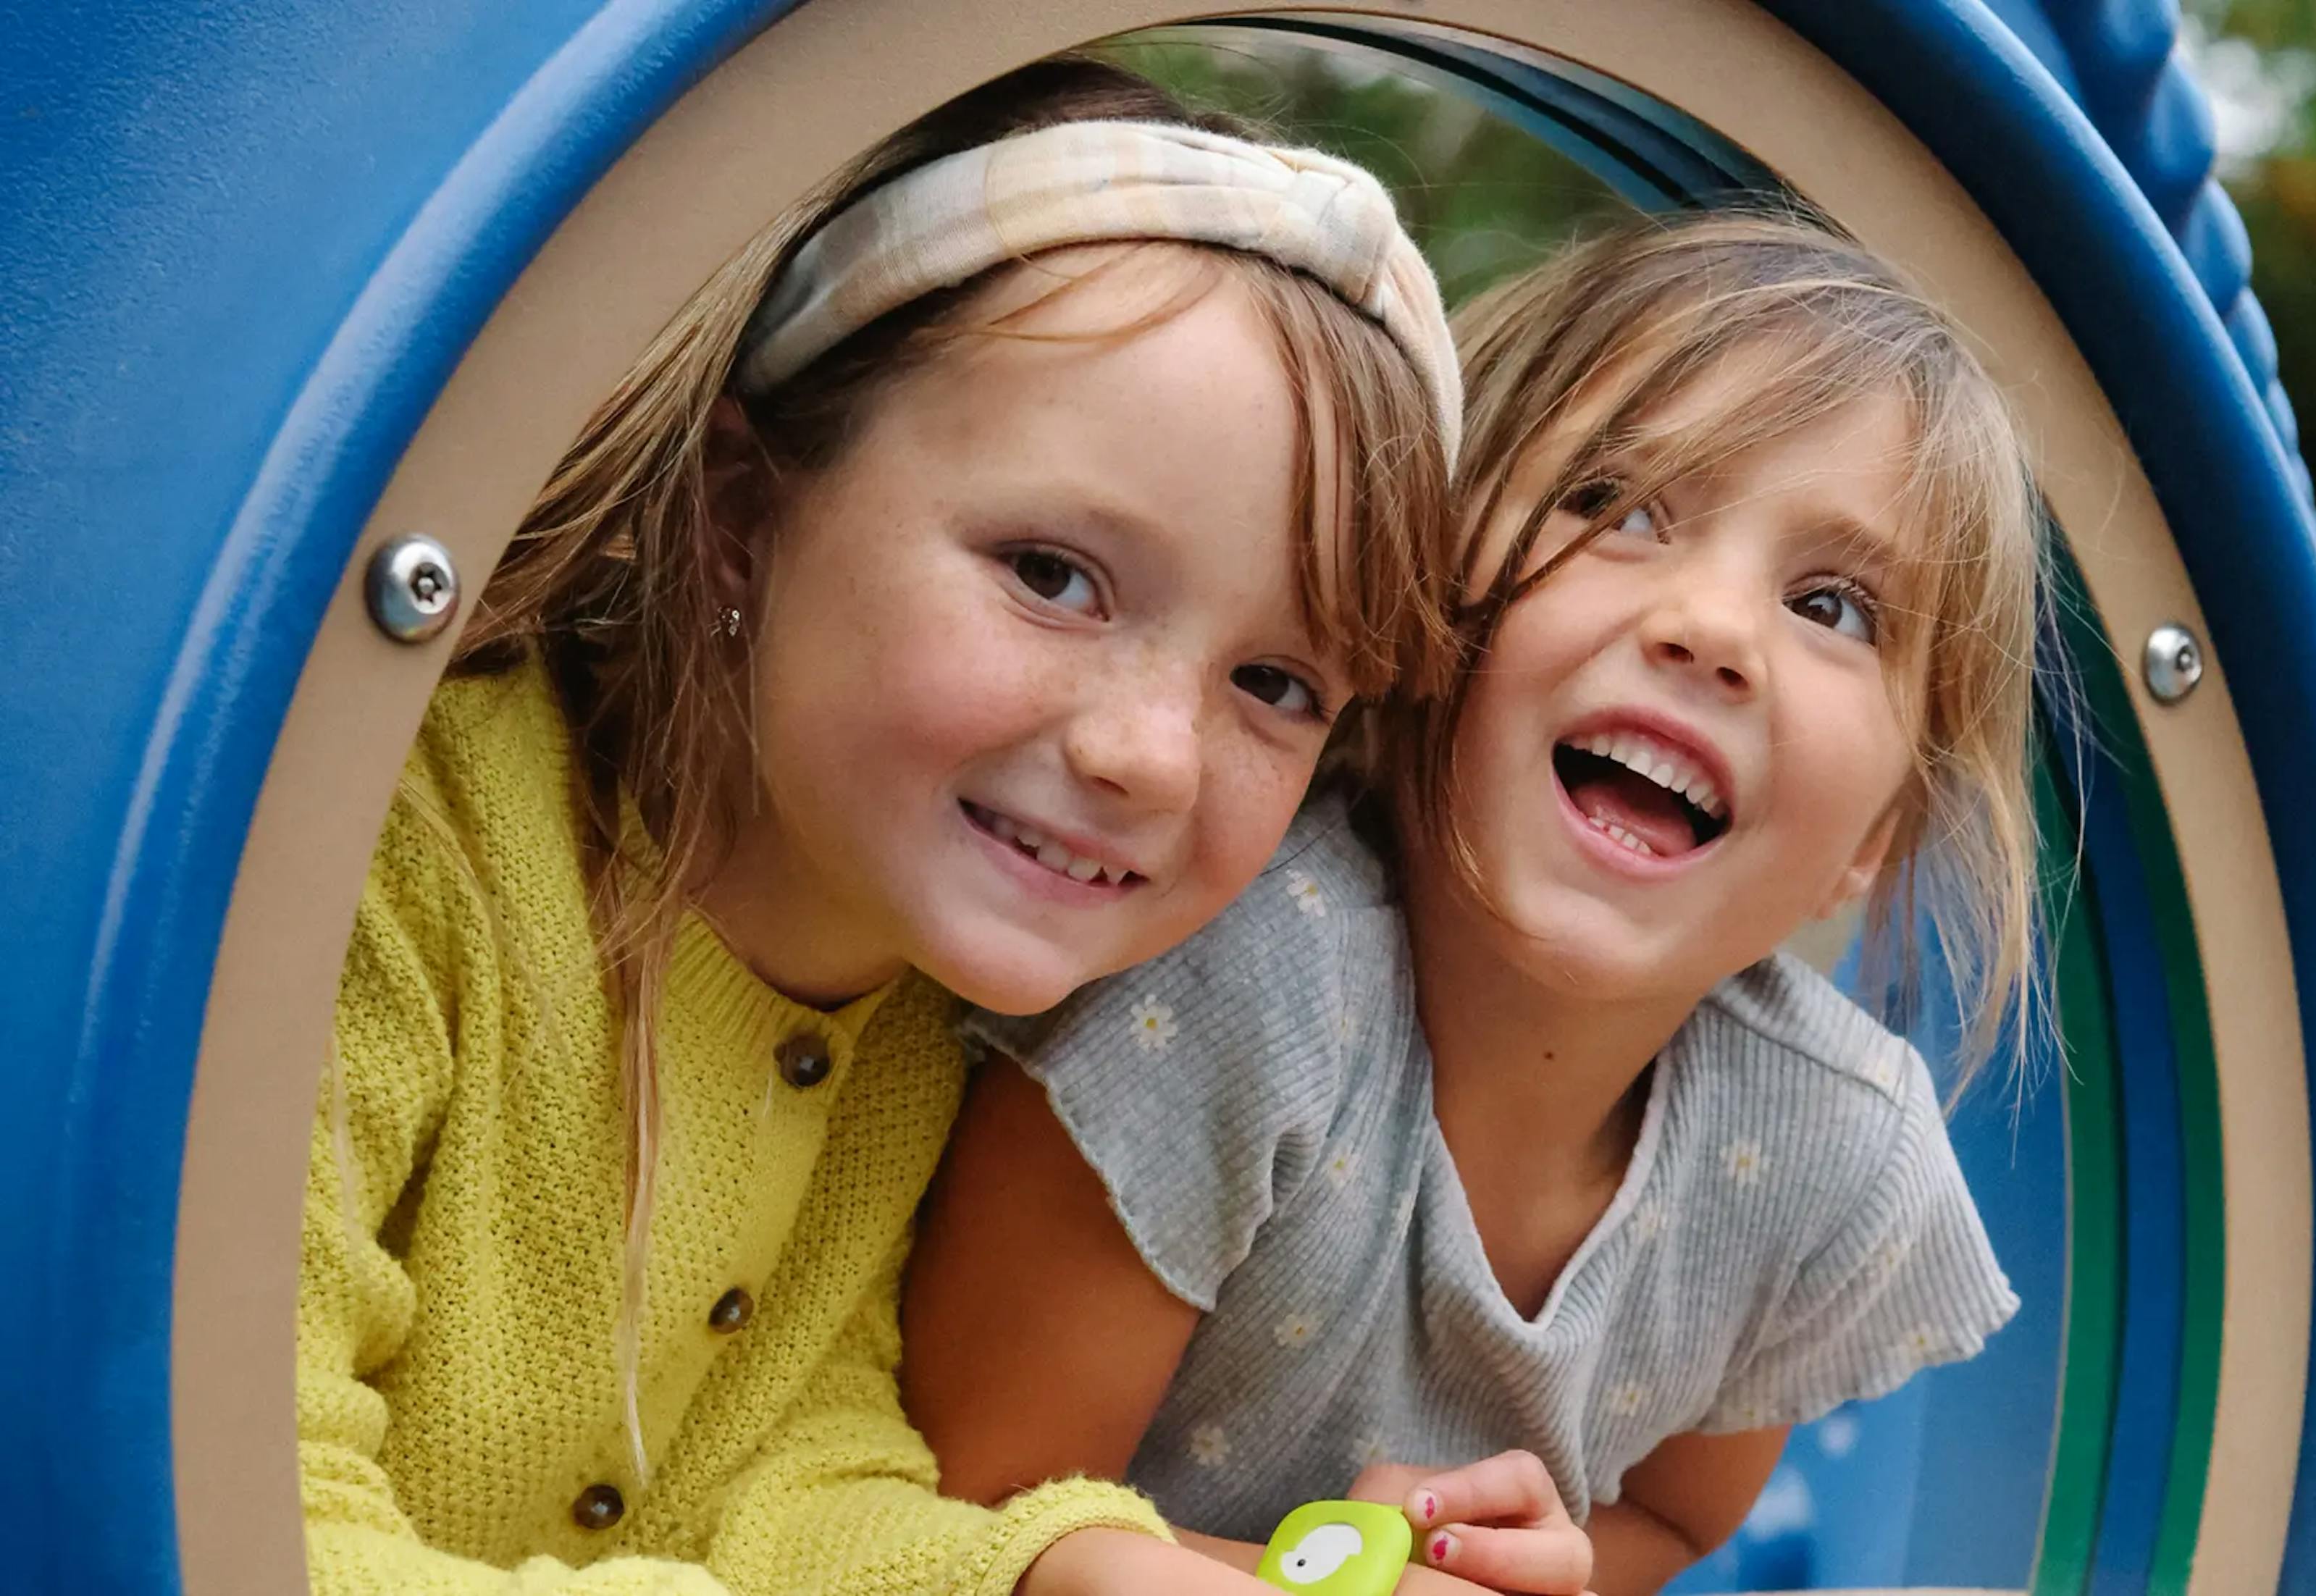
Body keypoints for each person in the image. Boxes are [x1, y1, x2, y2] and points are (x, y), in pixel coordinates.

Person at [297, 57, 1464, 1596]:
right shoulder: (398, 862)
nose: (1151, 758)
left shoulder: (918, 1011)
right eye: (1053, 574)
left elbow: (793, 1465)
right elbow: (238, 1502)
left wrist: (1083, 1579)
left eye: (1274, 681)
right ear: (738, 511)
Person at [905, 210, 2047, 1596]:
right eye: (1619, 510)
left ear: (1883, 835)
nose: (1715, 629)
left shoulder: (1822, 1154)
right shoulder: (1235, 987)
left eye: (1835, 606)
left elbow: (1678, 1527)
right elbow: (965, 1517)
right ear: (1428, 598)